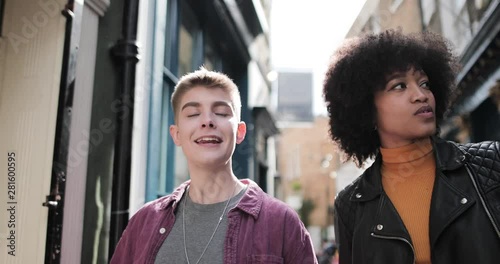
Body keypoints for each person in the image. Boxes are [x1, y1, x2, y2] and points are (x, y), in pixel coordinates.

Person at [322, 29, 500, 264]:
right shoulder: (351, 205)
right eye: (399, 86)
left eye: (425, 83)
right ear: (367, 110)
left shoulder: (490, 163)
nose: (420, 95)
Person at [111, 67, 318, 264]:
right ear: (176, 134)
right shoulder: (144, 222)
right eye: (193, 114)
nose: (207, 121)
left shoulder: (281, 222)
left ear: (240, 132)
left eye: (220, 112)